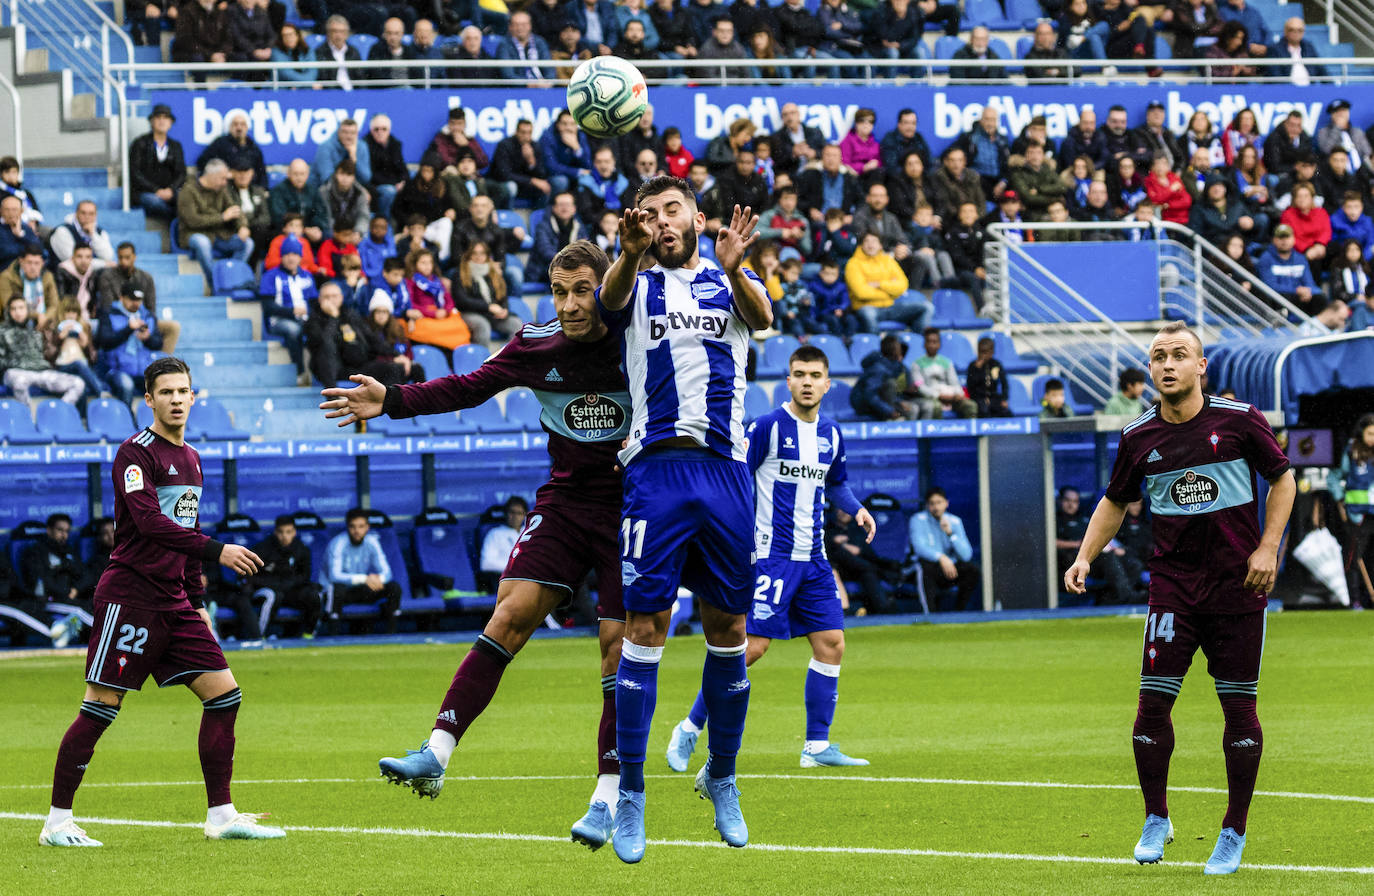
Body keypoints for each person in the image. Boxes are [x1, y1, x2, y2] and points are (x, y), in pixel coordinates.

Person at [322, 241, 634, 848]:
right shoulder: (535, 344)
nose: (570, 305)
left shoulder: (638, 338)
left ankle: (607, 797)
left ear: (608, 285)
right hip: (567, 502)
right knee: (511, 612)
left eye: (582, 290)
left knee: (616, 649)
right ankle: (436, 752)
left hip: (634, 507)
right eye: (560, 291)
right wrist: (392, 400)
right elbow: (469, 386)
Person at [1065, 321, 1295, 875]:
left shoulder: (1240, 422)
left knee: (1238, 710)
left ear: (1200, 367)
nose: (1167, 364)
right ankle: (1155, 817)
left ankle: (1233, 829)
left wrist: (1268, 548)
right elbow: (1114, 501)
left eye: (1178, 355)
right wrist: (1084, 556)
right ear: (1151, 369)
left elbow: (1284, 480)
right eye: (1158, 356)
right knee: (1151, 707)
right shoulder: (1138, 436)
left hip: (1239, 589)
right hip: (1172, 590)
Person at [595, 178, 773, 863]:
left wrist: (734, 268)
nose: (665, 222)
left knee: (729, 630)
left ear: (697, 218)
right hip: (656, 472)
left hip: (727, 472)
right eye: (654, 213)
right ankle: (632, 793)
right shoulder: (635, 281)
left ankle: (721, 775)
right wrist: (627, 252)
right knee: (645, 630)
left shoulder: (732, 276)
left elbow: (761, 318)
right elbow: (610, 303)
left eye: (675, 210)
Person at [39, 357, 280, 848]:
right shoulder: (135, 453)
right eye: (166, 392)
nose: (175, 399)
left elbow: (184, 533)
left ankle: (221, 814)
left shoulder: (192, 458)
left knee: (224, 694)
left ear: (194, 397)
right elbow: (150, 524)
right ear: (148, 399)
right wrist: (220, 551)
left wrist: (198, 601)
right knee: (101, 708)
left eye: (183, 391)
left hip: (175, 602)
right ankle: (56, 822)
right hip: (130, 598)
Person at [665, 345, 876, 774]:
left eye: (815, 375)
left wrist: (856, 508)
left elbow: (836, 483)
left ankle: (816, 746)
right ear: (788, 380)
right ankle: (689, 727)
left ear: (828, 383)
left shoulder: (832, 435)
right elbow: (736, 477)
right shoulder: (766, 428)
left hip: (814, 558)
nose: (807, 382)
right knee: (751, 648)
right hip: (770, 557)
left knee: (832, 644)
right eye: (799, 374)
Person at [322, 508, 402, 634]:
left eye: (361, 526)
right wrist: (365, 579)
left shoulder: (372, 542)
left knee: (394, 587)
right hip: (337, 593)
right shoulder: (338, 543)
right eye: (352, 527)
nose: (357, 531)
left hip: (360, 590)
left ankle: (392, 636)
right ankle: (333, 636)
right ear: (347, 527)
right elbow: (334, 576)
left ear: (367, 527)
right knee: (337, 589)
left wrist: (377, 579)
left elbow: (387, 573)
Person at [177, 159, 254, 287]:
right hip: (193, 233)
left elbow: (235, 210)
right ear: (210, 176)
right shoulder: (188, 191)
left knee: (247, 243)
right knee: (203, 243)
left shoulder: (222, 189)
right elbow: (192, 221)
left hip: (219, 235)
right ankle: (215, 282)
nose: (225, 182)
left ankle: (228, 278)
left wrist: (243, 226)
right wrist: (222, 217)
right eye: (222, 178)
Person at [244, 515, 323, 638]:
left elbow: (305, 576)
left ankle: (308, 635)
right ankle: (259, 636)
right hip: (266, 589)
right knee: (273, 596)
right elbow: (251, 576)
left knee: (313, 595)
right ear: (276, 532)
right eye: (281, 532)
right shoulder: (263, 548)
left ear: (294, 532)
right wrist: (275, 584)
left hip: (290, 590)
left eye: (288, 532)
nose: (284, 536)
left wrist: (288, 584)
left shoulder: (302, 549)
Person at [1, 294, 85, 405]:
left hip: (40, 371)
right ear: (9, 312)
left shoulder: (36, 332)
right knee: (20, 381)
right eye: (13, 309)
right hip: (15, 371)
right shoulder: (2, 331)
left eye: (21, 308)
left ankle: (55, 416)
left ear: (27, 310)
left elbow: (49, 355)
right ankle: (26, 419)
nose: (17, 312)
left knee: (78, 383)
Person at [93, 242, 179, 351]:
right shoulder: (107, 276)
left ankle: (163, 365)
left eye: (127, 257)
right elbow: (107, 306)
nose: (124, 261)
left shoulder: (146, 277)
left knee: (172, 327)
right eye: (120, 258)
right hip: (118, 318)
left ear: (134, 257)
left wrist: (144, 324)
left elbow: (151, 308)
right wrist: (128, 323)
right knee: (104, 329)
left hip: (142, 318)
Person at [1328, 414, 1374, 609]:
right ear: (1361, 433)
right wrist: (1340, 500)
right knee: (1355, 558)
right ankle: (1355, 600)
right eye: (1370, 433)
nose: (1373, 437)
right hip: (1357, 514)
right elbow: (1334, 477)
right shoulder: (1351, 451)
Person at [909, 487, 980, 612]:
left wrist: (950, 534)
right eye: (932, 503)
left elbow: (966, 555)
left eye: (939, 502)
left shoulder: (955, 521)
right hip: (929, 568)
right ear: (927, 505)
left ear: (946, 503)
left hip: (949, 570)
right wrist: (941, 557)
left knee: (973, 570)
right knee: (924, 567)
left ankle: (959, 612)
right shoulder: (917, 520)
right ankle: (930, 615)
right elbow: (919, 548)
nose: (936, 507)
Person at [95, 282, 165, 405]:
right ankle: (128, 420)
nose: (135, 303)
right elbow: (104, 342)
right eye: (132, 299)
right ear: (121, 298)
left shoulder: (148, 316)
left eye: (138, 300)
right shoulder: (109, 314)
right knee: (126, 385)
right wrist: (128, 329)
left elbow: (158, 344)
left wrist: (147, 338)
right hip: (116, 370)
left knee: (161, 385)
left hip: (143, 370)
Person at [259, 236, 316, 384]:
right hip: (280, 320)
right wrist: (292, 312)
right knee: (293, 329)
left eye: (295, 255)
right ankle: (300, 371)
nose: (291, 258)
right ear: (282, 256)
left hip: (306, 320)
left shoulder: (307, 276)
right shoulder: (271, 276)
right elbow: (268, 307)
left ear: (300, 257)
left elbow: (315, 302)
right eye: (287, 254)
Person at [913, 327, 976, 418]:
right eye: (929, 342)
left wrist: (958, 394)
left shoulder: (947, 362)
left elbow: (954, 383)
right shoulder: (917, 364)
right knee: (935, 407)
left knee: (970, 406)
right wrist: (938, 395)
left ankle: (972, 432)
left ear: (939, 344)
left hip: (951, 397)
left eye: (934, 342)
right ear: (924, 344)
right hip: (931, 398)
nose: (931, 345)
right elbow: (920, 387)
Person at [478, 496, 528, 590]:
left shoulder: (529, 532)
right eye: (512, 512)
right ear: (506, 513)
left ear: (525, 515)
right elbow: (486, 564)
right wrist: (515, 568)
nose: (515, 517)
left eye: (519, 513)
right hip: (507, 582)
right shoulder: (495, 534)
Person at [964, 335, 1009, 417]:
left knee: (1006, 412)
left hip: (993, 397)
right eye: (981, 352)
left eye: (985, 352)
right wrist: (977, 369)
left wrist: (1004, 399)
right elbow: (970, 385)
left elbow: (1004, 384)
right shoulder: (973, 366)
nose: (983, 355)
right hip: (978, 398)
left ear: (991, 352)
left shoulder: (996, 365)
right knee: (984, 410)